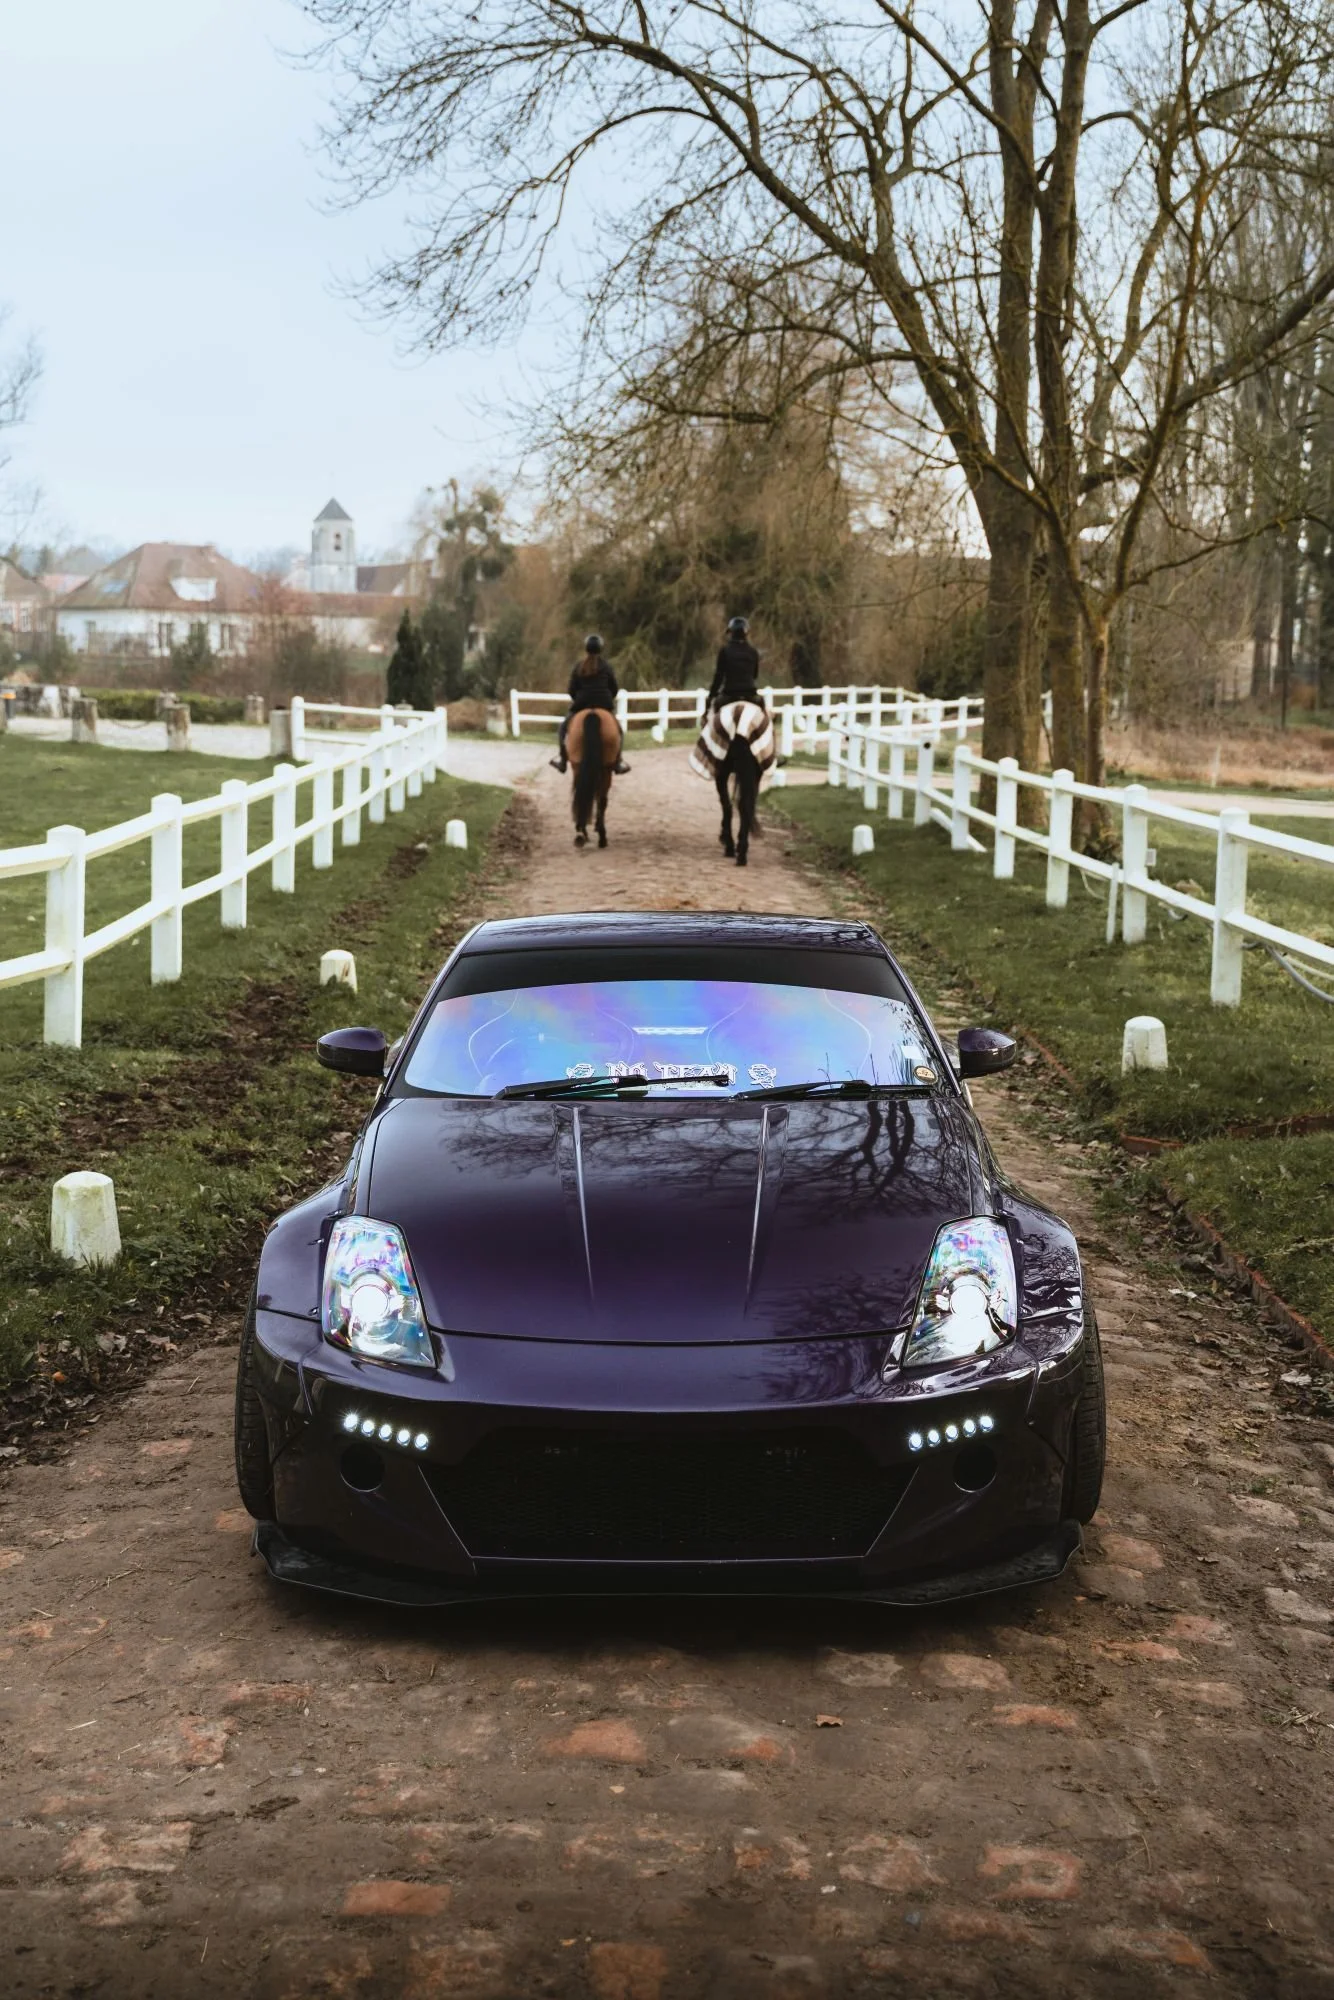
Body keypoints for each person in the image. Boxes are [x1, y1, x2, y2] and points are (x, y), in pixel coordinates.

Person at [550, 634, 630, 773]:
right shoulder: (607, 666)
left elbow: (571, 689)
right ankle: (618, 762)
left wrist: (578, 700)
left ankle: (562, 760)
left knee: (563, 729)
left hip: (582, 704)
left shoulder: (579, 667)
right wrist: (608, 699)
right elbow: (614, 688)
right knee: (619, 732)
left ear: (586, 648)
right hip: (603, 703)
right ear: (600, 649)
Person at [707, 615, 762, 711]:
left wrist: (711, 695)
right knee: (768, 716)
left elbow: (719, 676)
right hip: (750, 695)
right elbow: (754, 675)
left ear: (731, 633)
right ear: (746, 633)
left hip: (729, 695)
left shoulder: (724, 651)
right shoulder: (753, 652)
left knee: (711, 713)